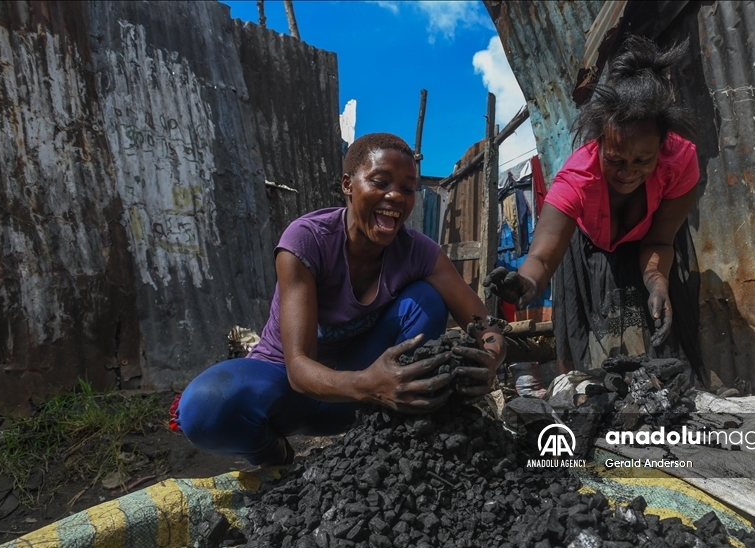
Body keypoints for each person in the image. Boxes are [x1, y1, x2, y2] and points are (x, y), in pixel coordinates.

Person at [175, 133, 506, 466]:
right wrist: (370, 385)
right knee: (204, 406)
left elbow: (485, 326)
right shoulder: (306, 240)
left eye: (407, 189)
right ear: (348, 184)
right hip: (288, 390)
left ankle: (395, 439)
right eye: (380, 182)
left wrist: (491, 356)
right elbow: (299, 369)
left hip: (370, 395)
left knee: (426, 299)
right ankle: (274, 455)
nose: (395, 196)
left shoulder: (419, 252)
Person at [485, 36, 705, 377]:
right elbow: (542, 257)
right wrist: (526, 283)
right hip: (586, 250)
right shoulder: (577, 177)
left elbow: (660, 241)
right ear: (599, 143)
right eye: (614, 160)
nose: (628, 172)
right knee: (592, 372)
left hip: (650, 251)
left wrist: (657, 282)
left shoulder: (680, 162)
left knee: (663, 361)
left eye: (642, 160)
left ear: (662, 147)